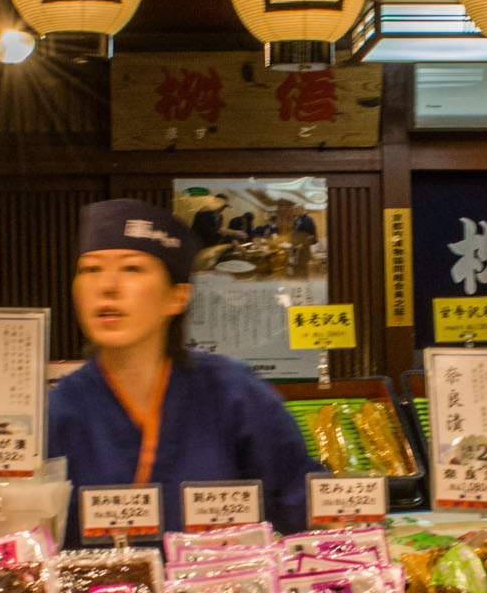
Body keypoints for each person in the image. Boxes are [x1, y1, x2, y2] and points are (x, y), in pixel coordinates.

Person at [47, 198, 317, 544]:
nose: (107, 286)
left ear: (178, 296)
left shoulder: (234, 392)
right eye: (90, 269)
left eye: (132, 269)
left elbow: (305, 505)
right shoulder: (59, 411)